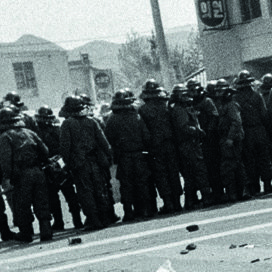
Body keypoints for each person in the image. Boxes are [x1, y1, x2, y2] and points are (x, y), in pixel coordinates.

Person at [58, 94, 115, 228]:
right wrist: (108, 157)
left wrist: (68, 163)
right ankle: (105, 218)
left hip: (80, 165)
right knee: (100, 189)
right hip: (95, 162)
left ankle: (94, 220)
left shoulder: (67, 124)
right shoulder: (92, 121)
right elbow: (104, 142)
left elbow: (65, 148)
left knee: (85, 192)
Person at [0, 104, 52, 241]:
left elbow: (5, 161)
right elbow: (45, 151)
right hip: (38, 172)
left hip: (21, 176)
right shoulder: (29, 133)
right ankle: (46, 230)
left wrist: (9, 177)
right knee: (41, 202)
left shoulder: (5, 138)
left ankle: (26, 233)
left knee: (22, 205)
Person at [104, 90, 156, 220]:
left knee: (126, 186)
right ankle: (146, 210)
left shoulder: (112, 120)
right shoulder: (137, 117)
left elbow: (107, 140)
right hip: (139, 156)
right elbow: (147, 136)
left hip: (123, 157)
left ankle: (128, 212)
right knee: (142, 183)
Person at [137, 79, 182, 213]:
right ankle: (177, 203)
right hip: (170, 144)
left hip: (155, 147)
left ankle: (168, 204)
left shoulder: (142, 110)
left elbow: (144, 132)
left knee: (161, 175)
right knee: (173, 173)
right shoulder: (167, 106)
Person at [169, 84, 210, 209]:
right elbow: (184, 127)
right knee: (199, 171)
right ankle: (206, 198)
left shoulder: (182, 108)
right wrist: (198, 131)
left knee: (190, 174)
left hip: (188, 144)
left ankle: (190, 201)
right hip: (189, 145)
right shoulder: (179, 110)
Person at [234, 70, 272, 195]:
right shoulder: (257, 96)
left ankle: (254, 187)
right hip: (259, 130)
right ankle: (267, 185)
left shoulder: (235, 98)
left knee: (249, 161)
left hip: (246, 133)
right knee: (264, 158)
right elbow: (264, 115)